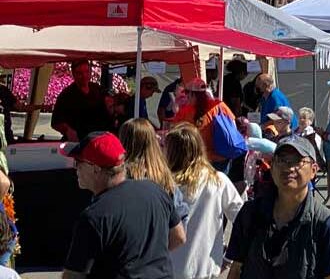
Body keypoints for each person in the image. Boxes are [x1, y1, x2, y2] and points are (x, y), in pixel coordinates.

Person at [62, 131, 186, 279]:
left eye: (78, 162)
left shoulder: (94, 217)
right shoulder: (155, 190)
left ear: (95, 168)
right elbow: (179, 237)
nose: (76, 168)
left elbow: (73, 275)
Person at [226, 136, 330, 279]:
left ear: (314, 170)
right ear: (271, 168)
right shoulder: (250, 213)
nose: (288, 167)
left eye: (298, 161)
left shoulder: (325, 224)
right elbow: (236, 269)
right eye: (281, 160)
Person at [165, 123, 245, 279]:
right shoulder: (218, 181)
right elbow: (243, 221)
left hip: (170, 268)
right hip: (206, 269)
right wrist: (230, 257)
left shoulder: (166, 185)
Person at [52, 60, 109, 141]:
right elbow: (55, 123)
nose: (84, 76)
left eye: (87, 72)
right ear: (73, 74)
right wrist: (68, 130)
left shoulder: (98, 89)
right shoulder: (66, 95)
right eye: (80, 73)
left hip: (97, 140)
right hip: (77, 142)